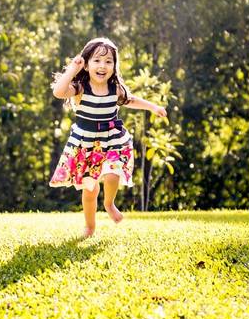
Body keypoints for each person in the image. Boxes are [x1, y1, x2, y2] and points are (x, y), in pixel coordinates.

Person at [49, 37, 167, 238]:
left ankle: (109, 203)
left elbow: (131, 100)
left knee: (113, 174)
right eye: (96, 60)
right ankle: (90, 226)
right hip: (86, 144)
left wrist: (153, 107)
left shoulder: (115, 89)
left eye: (108, 61)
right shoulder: (80, 87)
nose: (102, 66)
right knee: (90, 189)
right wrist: (72, 69)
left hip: (112, 140)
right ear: (86, 64)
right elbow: (59, 92)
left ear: (114, 66)